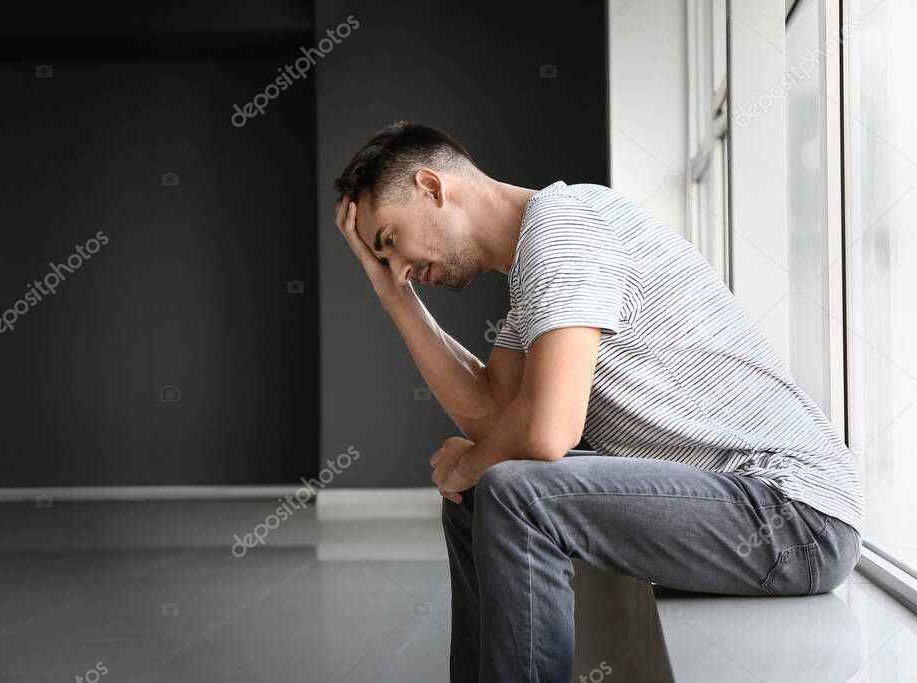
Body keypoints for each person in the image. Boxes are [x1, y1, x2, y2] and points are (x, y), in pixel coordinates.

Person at [332, 121, 863, 683]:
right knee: (476, 494)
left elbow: (546, 432)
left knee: (511, 490)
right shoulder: (536, 276)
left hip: (793, 515)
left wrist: (467, 462)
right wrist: (394, 296)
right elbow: (491, 414)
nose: (400, 266)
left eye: (390, 241)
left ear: (432, 188)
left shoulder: (566, 227)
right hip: (734, 505)